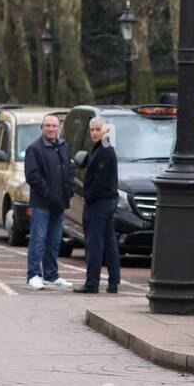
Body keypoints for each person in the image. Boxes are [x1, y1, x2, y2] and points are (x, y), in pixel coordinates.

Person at [23, 113, 74, 290]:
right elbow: (32, 176)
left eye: (54, 126)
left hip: (59, 203)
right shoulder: (34, 149)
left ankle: (51, 275)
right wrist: (48, 192)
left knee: (54, 240)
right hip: (41, 203)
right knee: (38, 239)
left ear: (59, 127)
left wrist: (68, 190)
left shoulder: (64, 146)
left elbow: (69, 169)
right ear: (42, 128)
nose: (51, 129)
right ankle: (33, 275)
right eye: (47, 126)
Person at [73, 116, 120, 294]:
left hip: (99, 202)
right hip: (106, 201)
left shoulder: (104, 152)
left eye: (97, 129)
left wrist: (87, 196)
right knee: (109, 242)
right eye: (92, 130)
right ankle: (113, 281)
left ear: (106, 129)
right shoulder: (104, 148)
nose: (94, 133)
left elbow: (98, 182)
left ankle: (92, 282)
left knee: (94, 243)